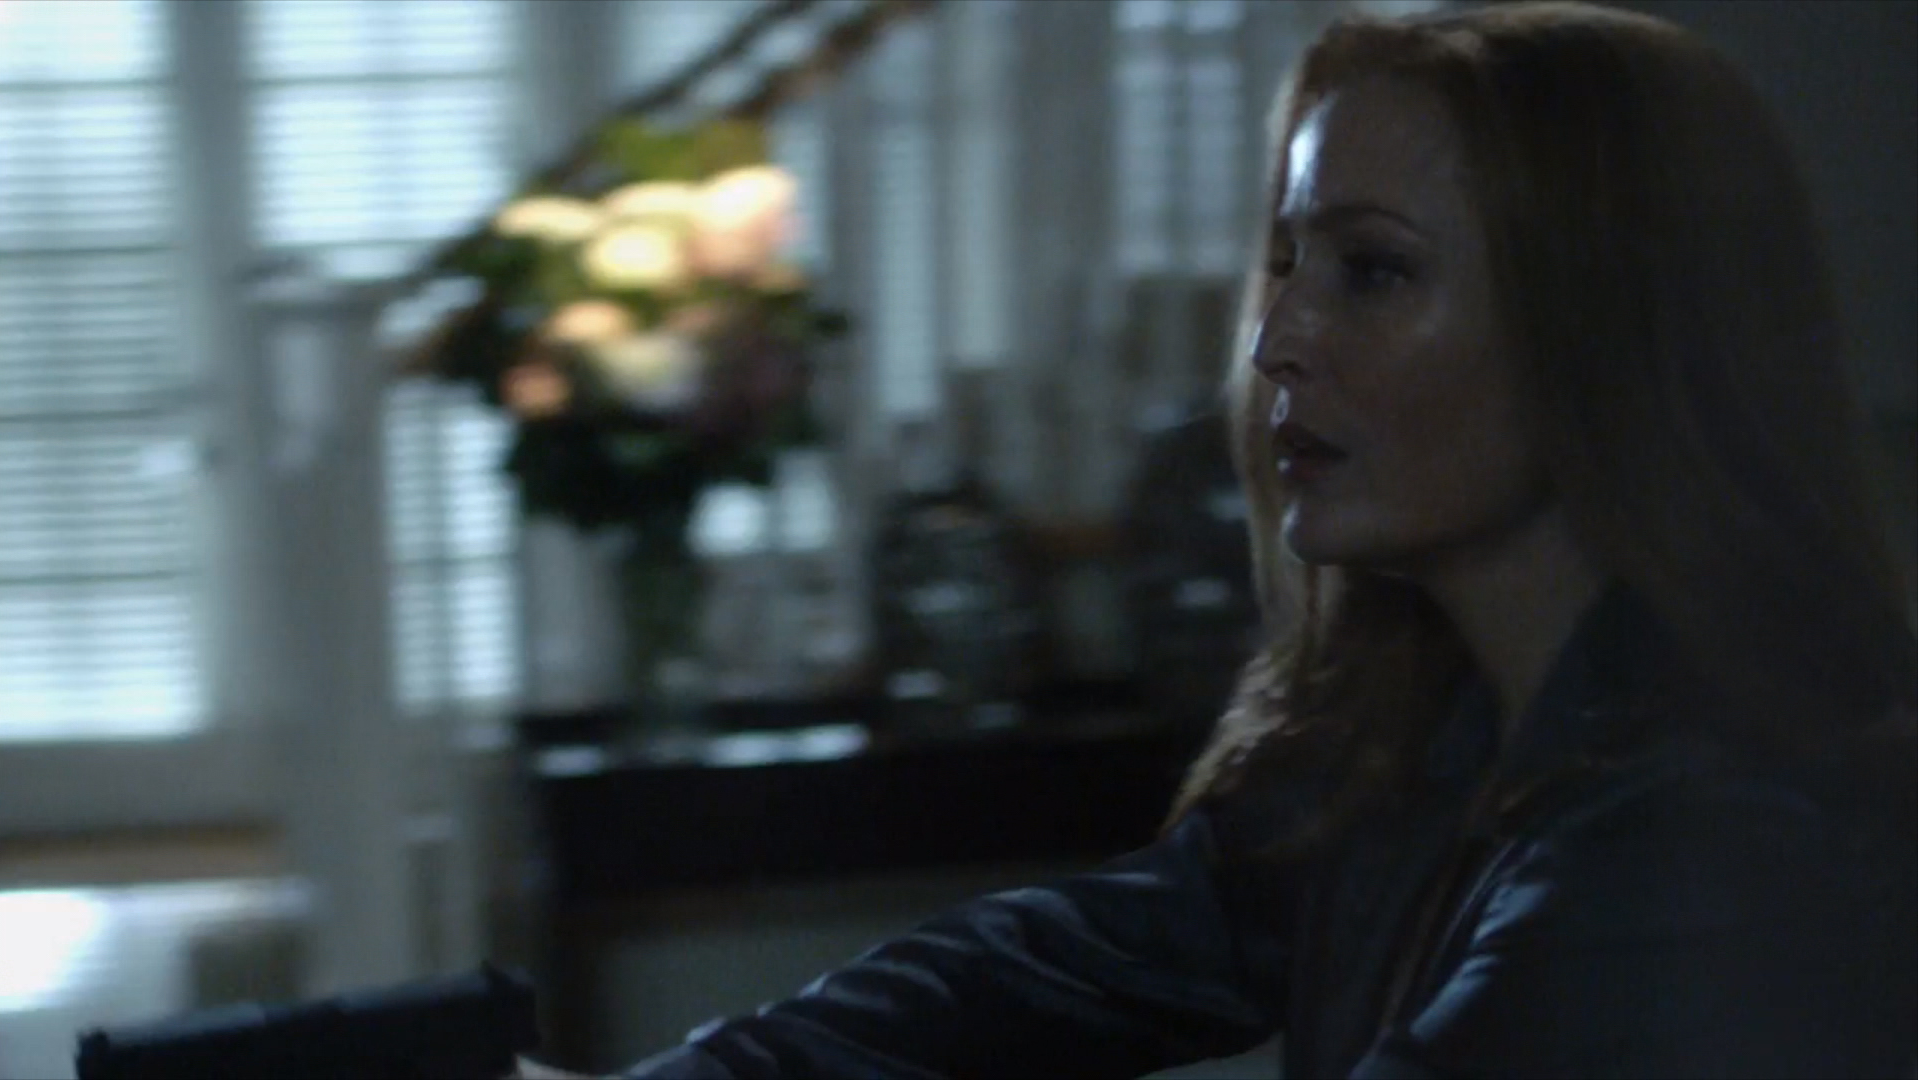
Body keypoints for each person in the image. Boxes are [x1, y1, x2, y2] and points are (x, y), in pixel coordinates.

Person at [518, 3, 1918, 1076]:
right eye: (1290, 261)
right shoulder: (1420, 734)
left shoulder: (1713, 833)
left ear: (1609, 329)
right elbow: (1055, 963)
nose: (1276, 339)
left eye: (1373, 270)